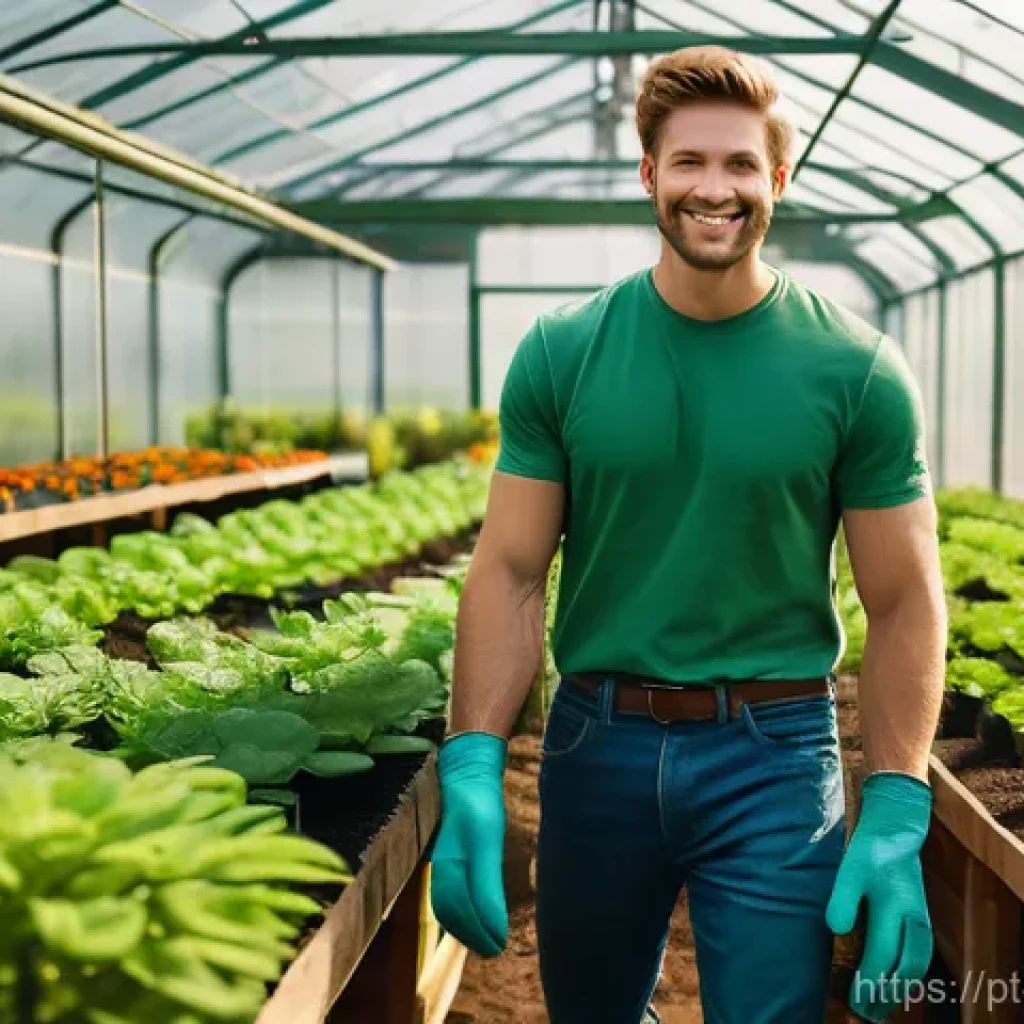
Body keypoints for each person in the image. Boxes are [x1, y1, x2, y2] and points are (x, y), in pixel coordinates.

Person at [430, 44, 947, 1024]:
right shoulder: (564, 351)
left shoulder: (856, 370)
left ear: (778, 178)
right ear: (648, 175)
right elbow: (509, 571)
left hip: (774, 757)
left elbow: (903, 599)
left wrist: (897, 802)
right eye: (690, 162)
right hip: (598, 743)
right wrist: (472, 764)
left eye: (741, 163)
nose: (715, 188)